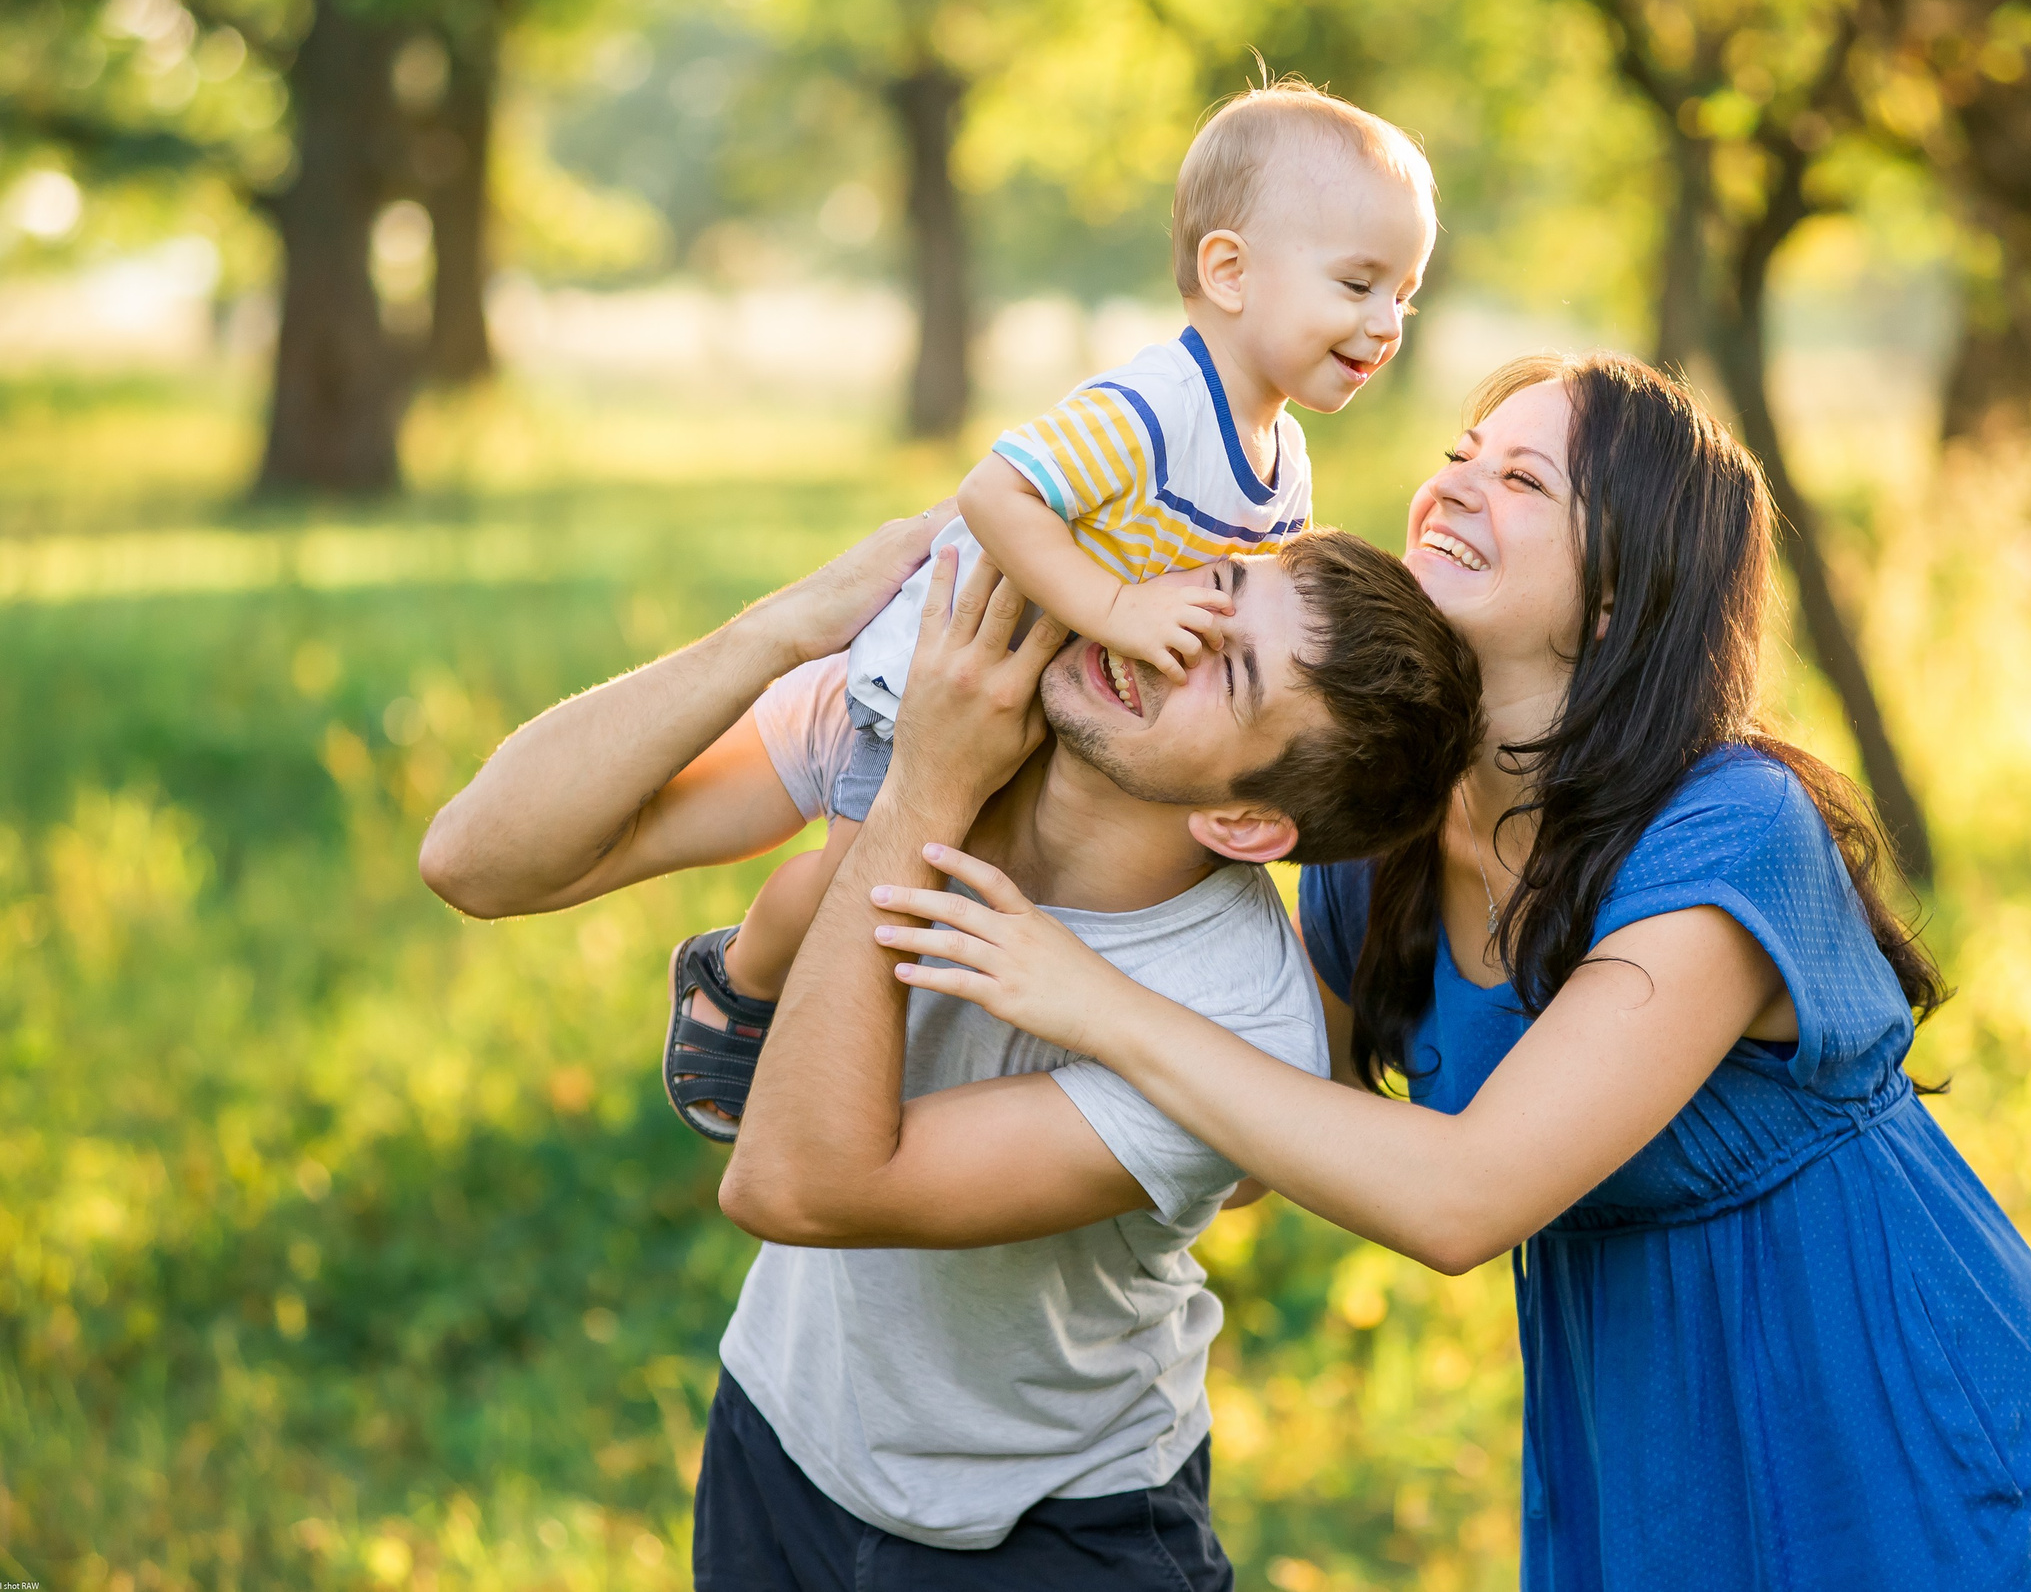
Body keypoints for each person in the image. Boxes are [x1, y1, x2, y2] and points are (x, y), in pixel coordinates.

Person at [854, 354, 2031, 1589]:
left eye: (1524, 479)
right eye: (1460, 453)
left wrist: (1096, 1004)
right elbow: (1257, 1129)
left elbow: (1460, 1198)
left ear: (1620, 593)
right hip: (1635, 1417)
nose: (1455, 485)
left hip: (1886, 1403)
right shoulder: (1383, 847)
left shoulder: (1730, 830)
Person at [418, 518, 1481, 1588]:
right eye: (1213, 585)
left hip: (1048, 1527)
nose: (1178, 635)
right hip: (780, 1435)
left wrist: (925, 791)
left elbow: (795, 1184)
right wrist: (780, 629)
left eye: (1233, 671)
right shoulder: (946, 701)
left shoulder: (1232, 1014)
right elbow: (473, 859)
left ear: (1245, 822)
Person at [669, 79, 1440, 1120]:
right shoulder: (1153, 407)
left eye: (1405, 296)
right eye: (1357, 284)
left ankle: (876, 1059)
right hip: (941, 669)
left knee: (939, 887)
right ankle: (741, 979)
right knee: (867, 883)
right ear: (1229, 271)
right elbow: (996, 493)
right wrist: (1117, 610)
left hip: (1045, 689)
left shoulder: (1282, 457)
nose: (1386, 323)